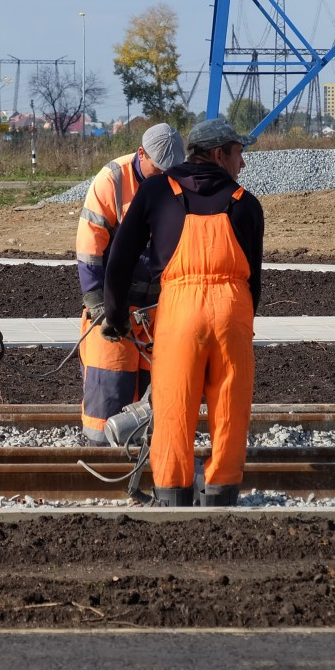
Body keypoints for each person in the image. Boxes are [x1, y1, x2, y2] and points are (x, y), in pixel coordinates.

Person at [103, 117, 264, 507]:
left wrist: (115, 314)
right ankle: (221, 493)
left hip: (178, 311)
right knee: (230, 406)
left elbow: (120, 258)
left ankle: (173, 495)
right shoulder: (246, 204)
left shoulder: (157, 191)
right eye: (238, 153)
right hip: (232, 310)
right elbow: (254, 284)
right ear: (217, 153)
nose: (242, 164)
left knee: (174, 405)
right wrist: (239, 323)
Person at [75, 123, 184, 445]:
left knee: (156, 394)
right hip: (116, 307)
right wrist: (98, 303)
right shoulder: (113, 179)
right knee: (108, 388)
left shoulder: (177, 184)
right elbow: (90, 247)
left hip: (157, 309)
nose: (163, 176)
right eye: (158, 168)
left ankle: (147, 462)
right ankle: (100, 456)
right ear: (141, 154)